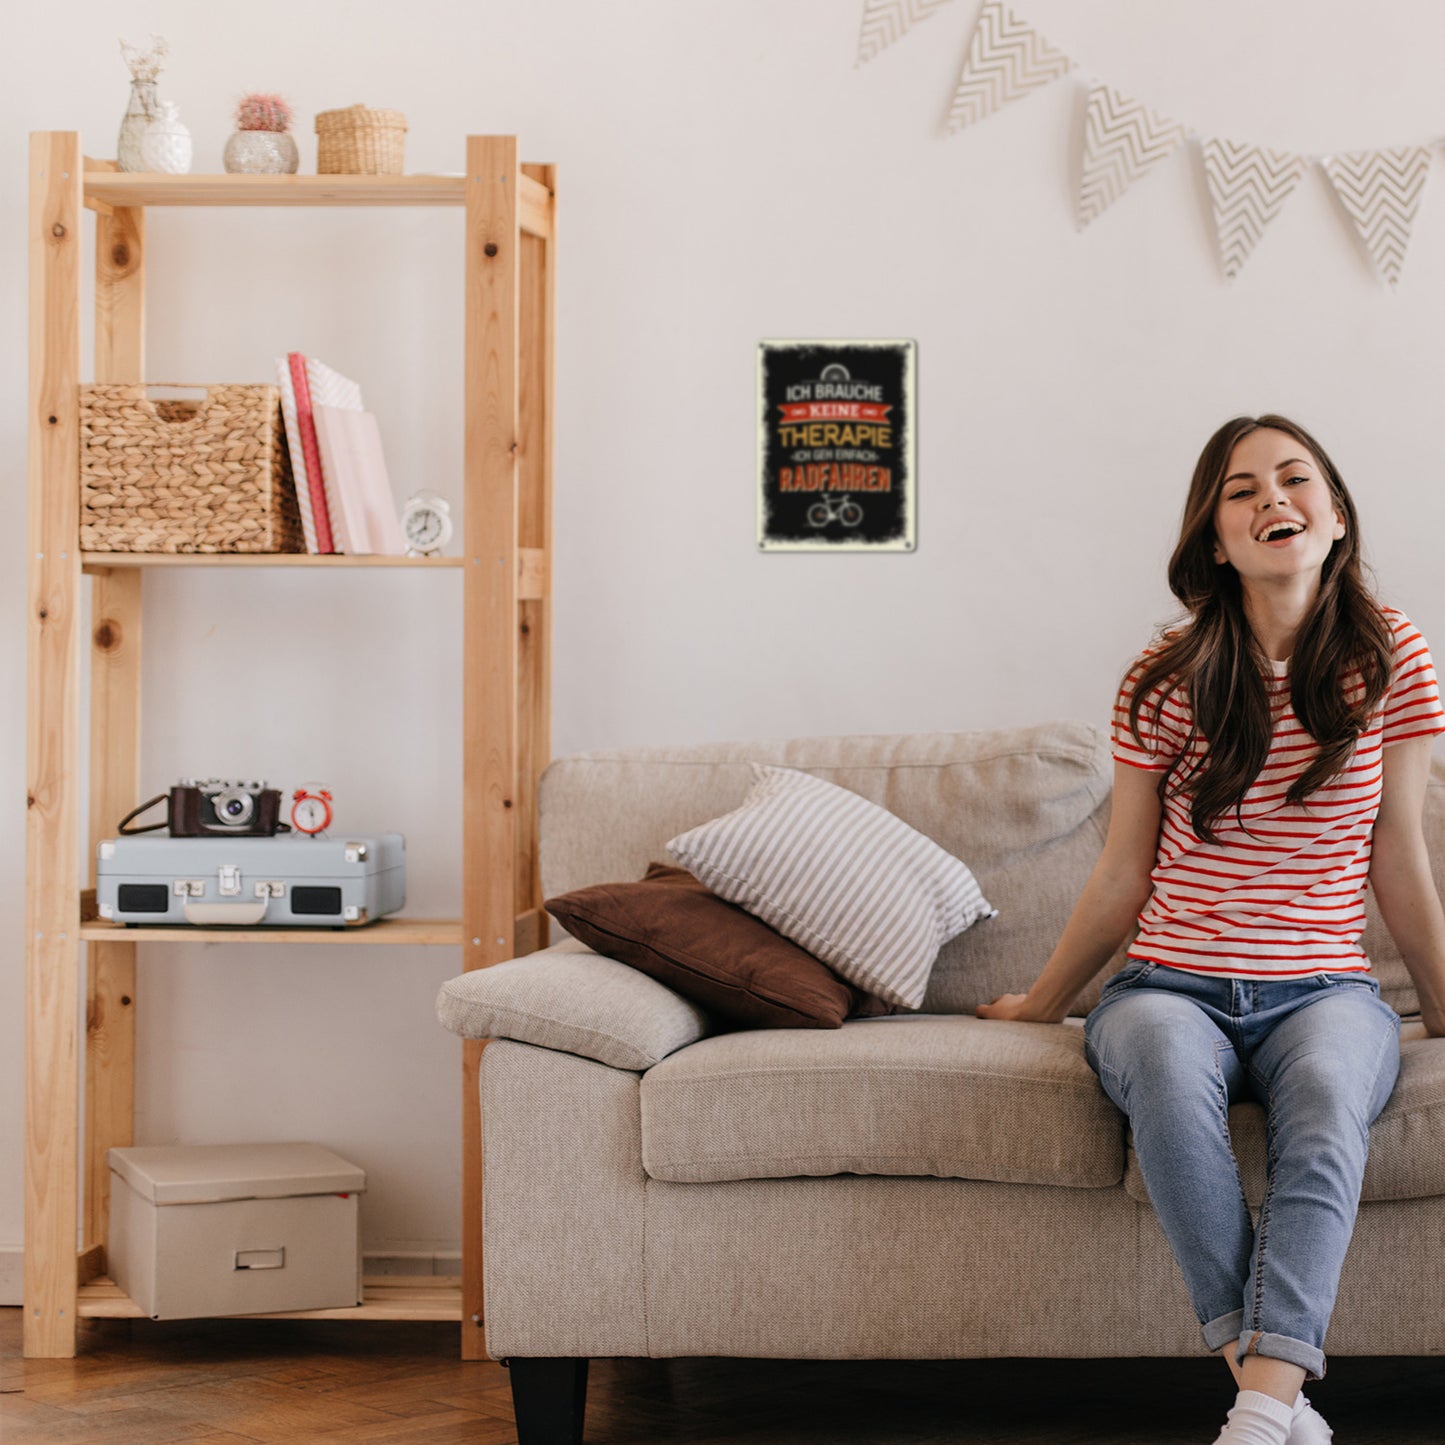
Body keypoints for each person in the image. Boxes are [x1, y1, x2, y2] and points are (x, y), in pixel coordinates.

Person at [976, 415, 1445, 1445]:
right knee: (1157, 1070)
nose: (1271, 498)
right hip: (1164, 984)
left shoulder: (1390, 653)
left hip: (1323, 990)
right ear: (1214, 537)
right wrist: (1042, 1003)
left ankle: (1258, 1408)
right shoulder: (1164, 671)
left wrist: (1444, 1009)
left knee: (1326, 1097)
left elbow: (1396, 852)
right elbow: (1122, 871)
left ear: (1332, 518)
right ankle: (1273, 1397)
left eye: (1293, 478)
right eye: (1241, 489)